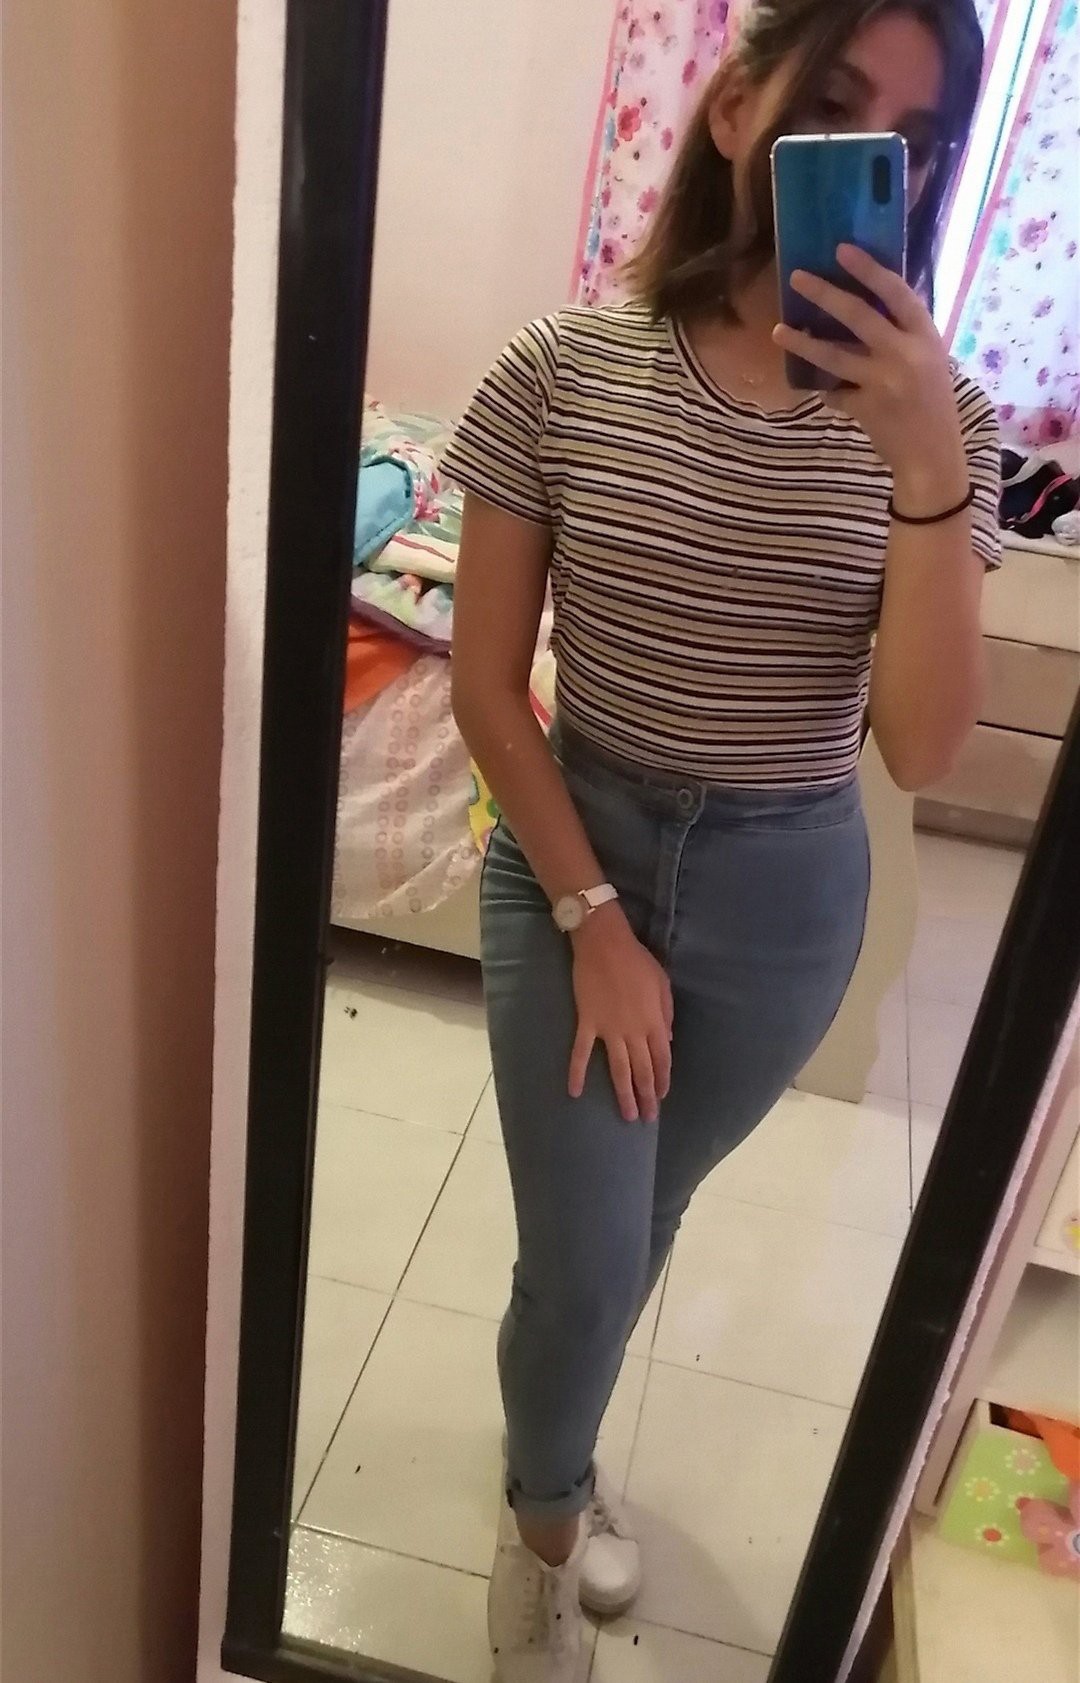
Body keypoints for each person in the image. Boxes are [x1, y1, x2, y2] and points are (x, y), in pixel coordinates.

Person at [442, 1, 999, 1675]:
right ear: (738, 106)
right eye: (835, 102)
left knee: (642, 1224)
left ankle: (554, 1450)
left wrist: (923, 466)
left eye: (913, 141)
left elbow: (922, 747)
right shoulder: (561, 368)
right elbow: (484, 688)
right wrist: (593, 917)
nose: (872, 159)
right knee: (584, 1256)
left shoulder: (943, 426)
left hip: (786, 894)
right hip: (577, 853)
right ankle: (544, 1524)